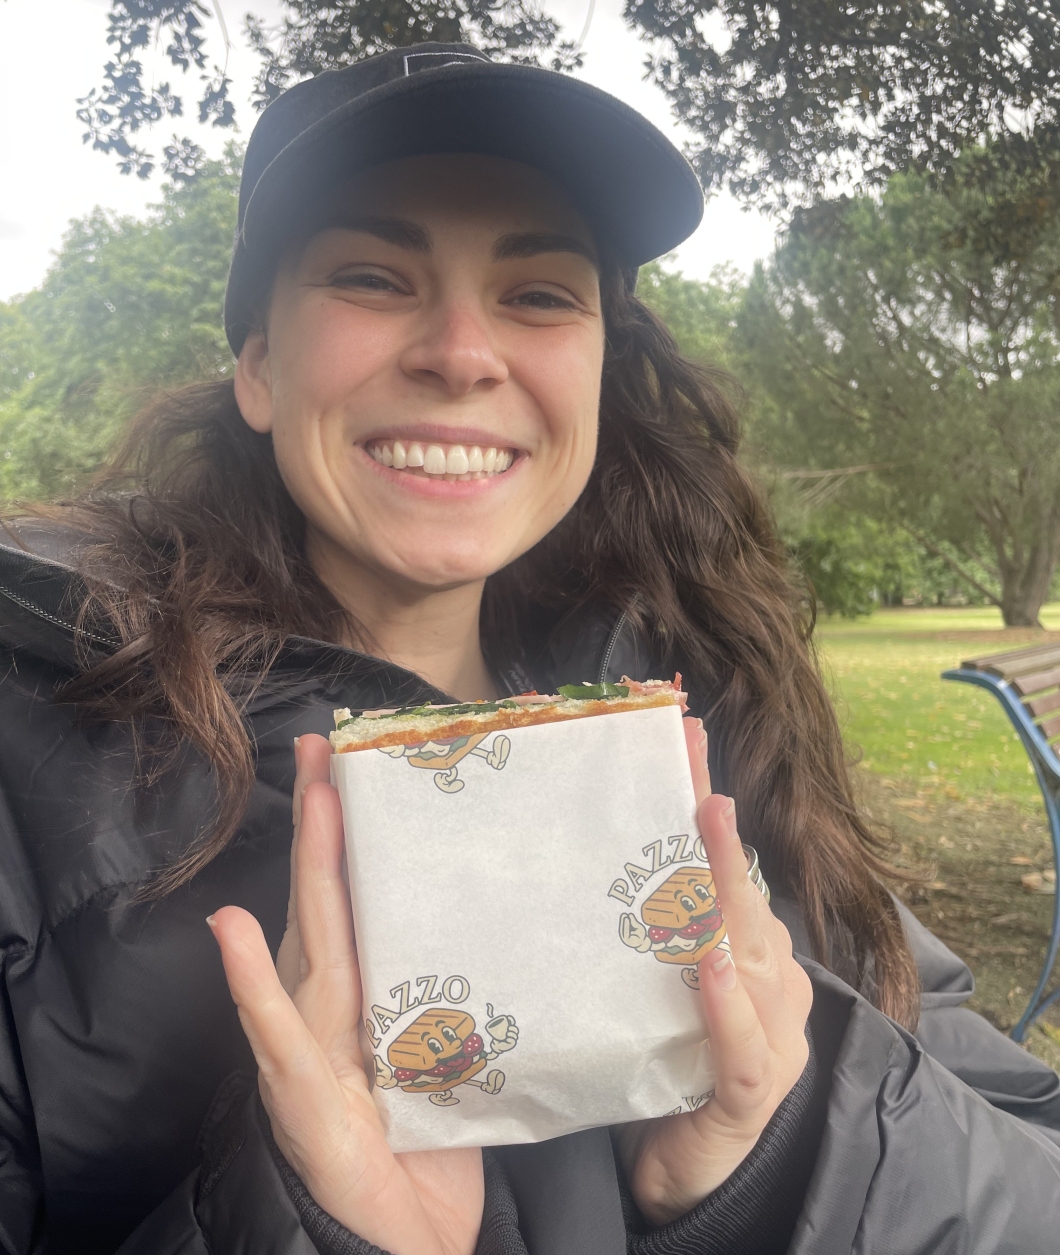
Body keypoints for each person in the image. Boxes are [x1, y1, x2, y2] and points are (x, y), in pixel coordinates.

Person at [0, 42, 1058, 1255]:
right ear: (256, 367)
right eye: (370, 276)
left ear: (599, 367)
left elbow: (1028, 1148)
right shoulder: (24, 779)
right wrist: (310, 1227)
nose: (461, 350)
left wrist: (781, 1150)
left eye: (540, 292)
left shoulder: (705, 715)